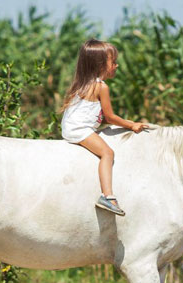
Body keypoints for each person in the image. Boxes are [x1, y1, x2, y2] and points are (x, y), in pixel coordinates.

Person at [60, 39, 148, 216]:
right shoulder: (101, 87)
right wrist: (132, 125)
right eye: (113, 62)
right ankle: (107, 196)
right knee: (108, 153)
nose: (116, 66)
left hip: (72, 126)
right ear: (100, 65)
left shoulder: (82, 84)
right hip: (79, 129)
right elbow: (110, 117)